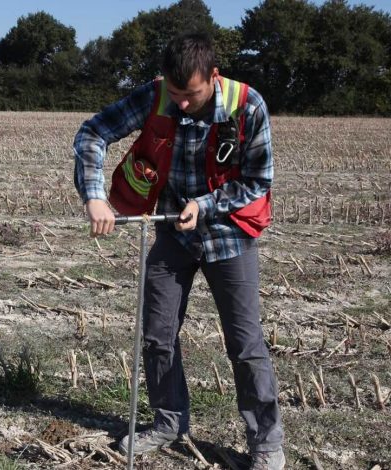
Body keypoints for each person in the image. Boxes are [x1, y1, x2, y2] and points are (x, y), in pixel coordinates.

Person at [72, 32, 284, 469]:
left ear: (214, 77)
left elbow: (257, 181)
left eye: (191, 95)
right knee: (157, 333)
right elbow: (93, 133)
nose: (181, 104)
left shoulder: (248, 106)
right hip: (171, 232)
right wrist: (94, 196)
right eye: (174, 94)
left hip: (229, 233)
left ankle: (266, 443)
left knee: (245, 343)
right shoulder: (156, 95)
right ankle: (169, 422)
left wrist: (205, 205)